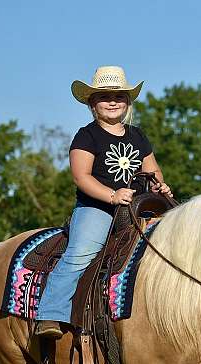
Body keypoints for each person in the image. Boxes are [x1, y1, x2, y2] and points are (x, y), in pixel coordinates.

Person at [35, 66, 172, 338]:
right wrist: (113, 195)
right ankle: (50, 314)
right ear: (92, 102)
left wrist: (160, 186)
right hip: (98, 208)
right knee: (82, 251)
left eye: (119, 96)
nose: (112, 101)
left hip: (138, 207)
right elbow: (81, 177)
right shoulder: (87, 136)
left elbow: (152, 169)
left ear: (127, 102)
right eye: (104, 96)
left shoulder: (137, 136)